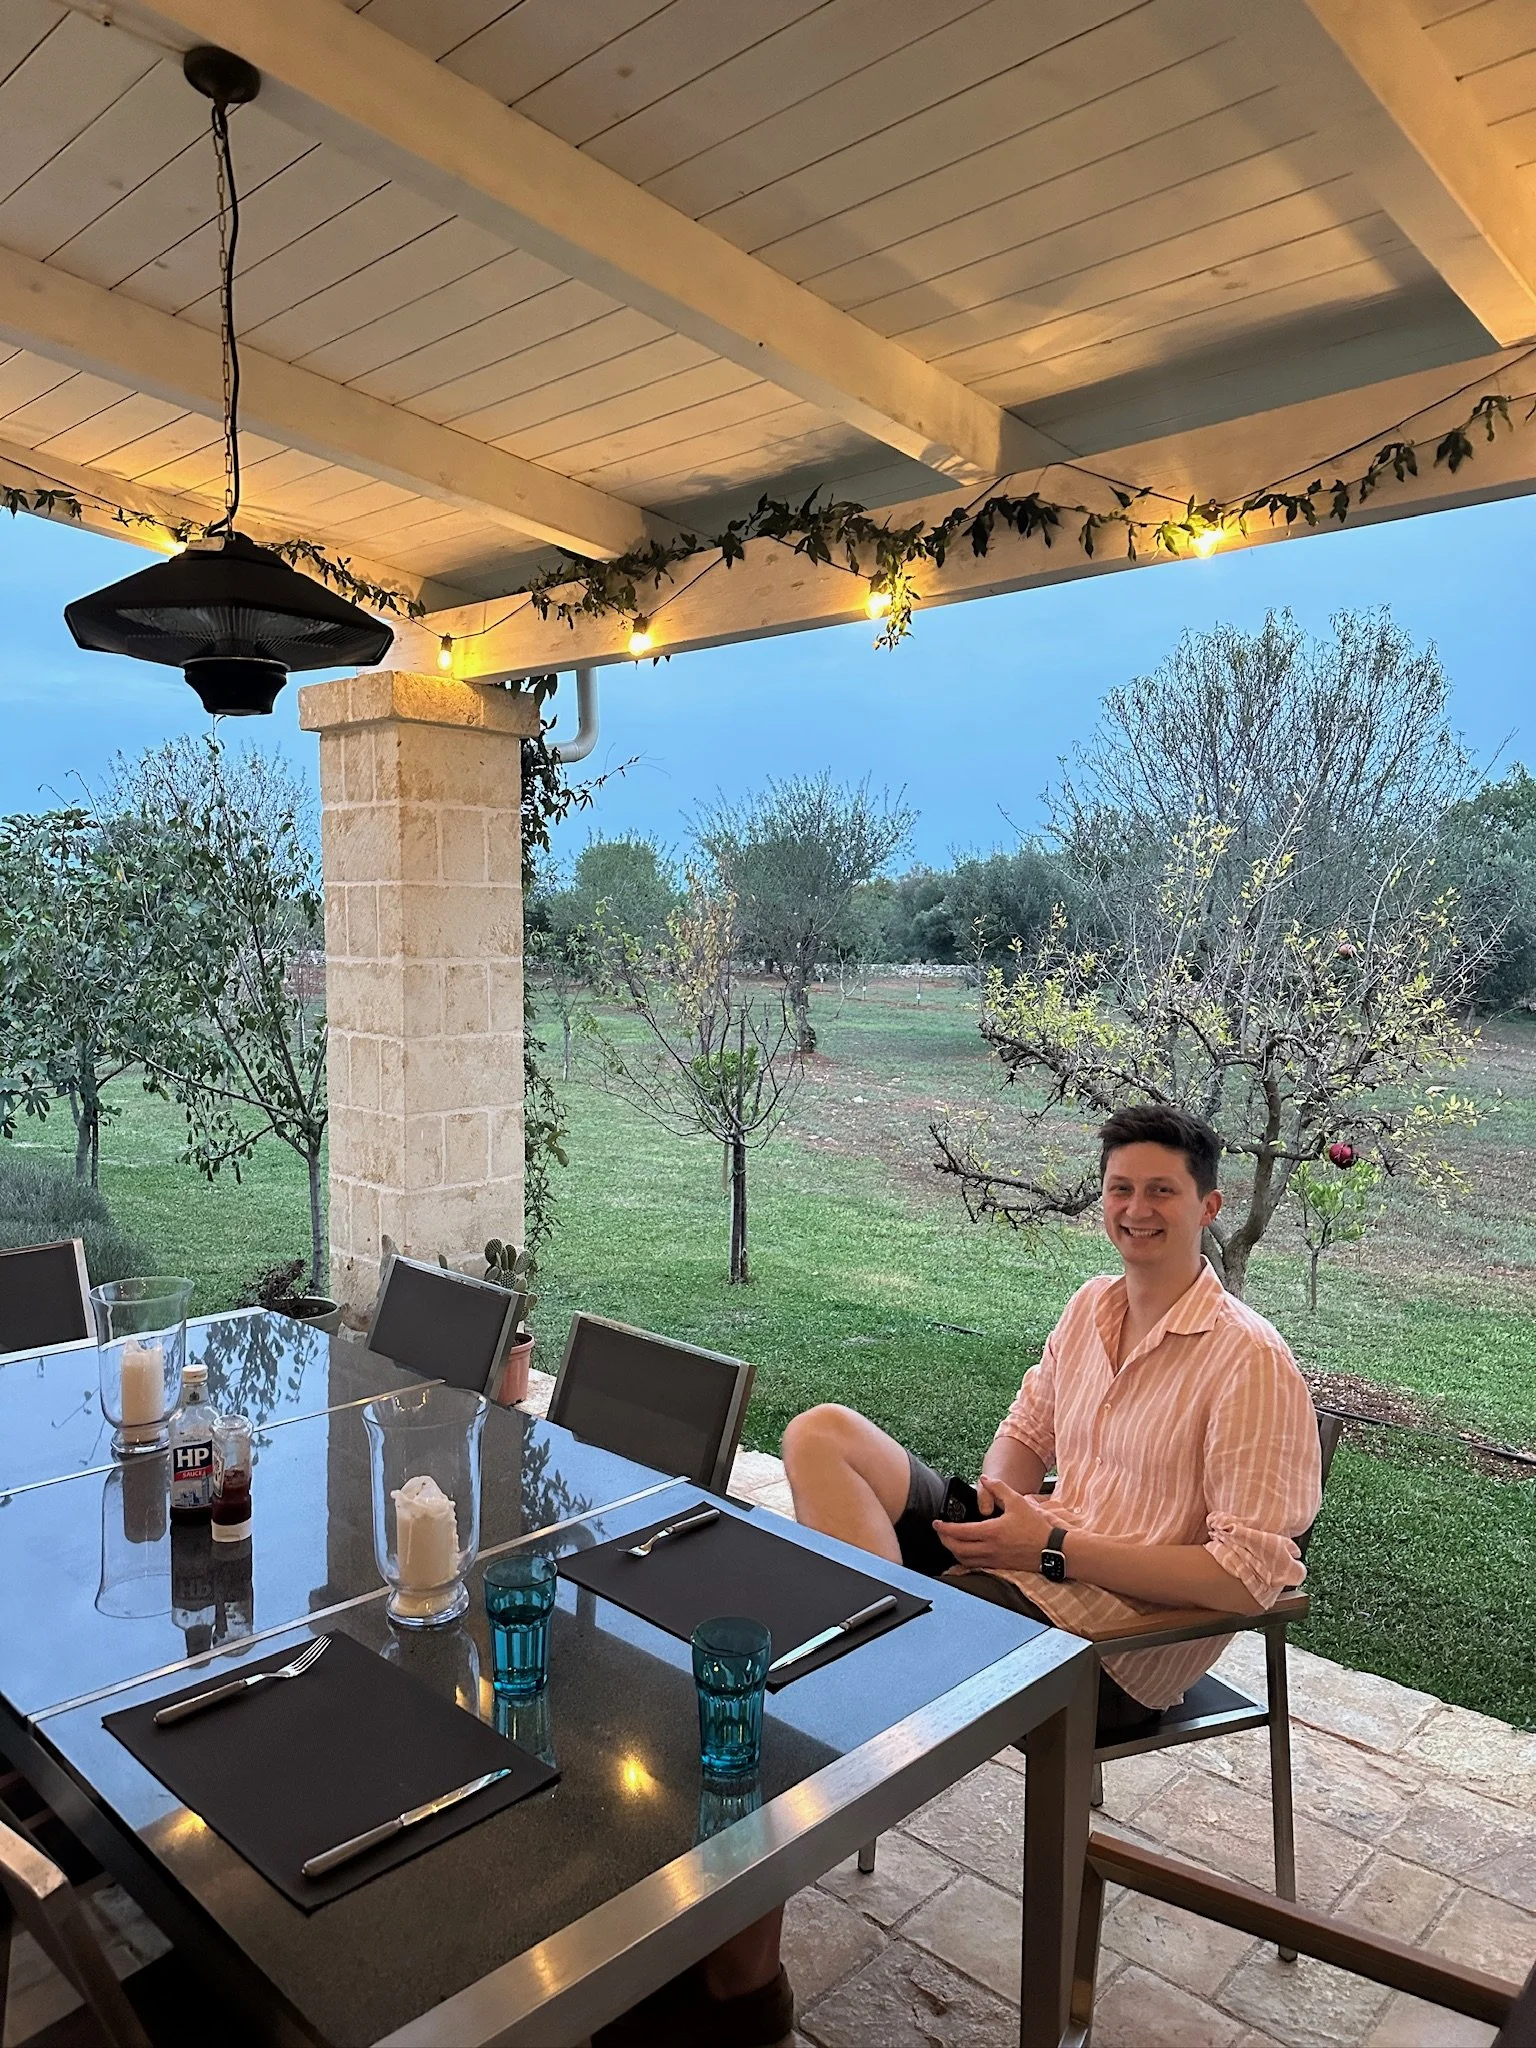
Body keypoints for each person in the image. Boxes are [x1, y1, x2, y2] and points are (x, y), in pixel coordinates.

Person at [597, 1102, 1322, 2047]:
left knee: (789, 1674)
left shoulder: (1250, 1362)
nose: (1136, 1209)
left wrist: (1049, 1549)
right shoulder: (1094, 1306)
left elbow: (1247, 1579)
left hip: (1099, 1646)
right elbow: (1025, 1434)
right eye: (1120, 1189)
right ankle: (883, 1640)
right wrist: (996, 1515)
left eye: (1161, 1192)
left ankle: (739, 1968)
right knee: (821, 1433)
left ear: (1208, 1206)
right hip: (1026, 1563)